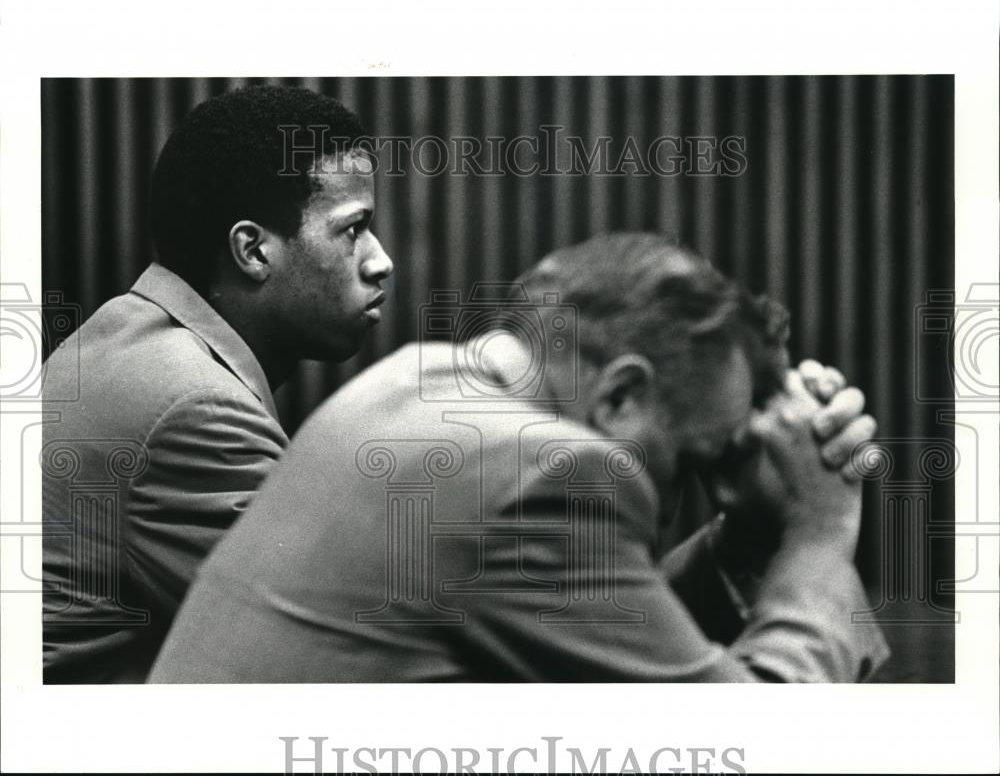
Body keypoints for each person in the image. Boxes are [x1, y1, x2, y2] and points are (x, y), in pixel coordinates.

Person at [149, 234, 888, 683]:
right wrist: (818, 530)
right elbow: (755, 746)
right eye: (691, 460)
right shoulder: (543, 470)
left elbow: (598, 631)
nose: (681, 484)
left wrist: (747, 534)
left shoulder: (419, 379)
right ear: (623, 395)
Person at [42, 86, 394, 683]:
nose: (379, 260)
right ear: (252, 250)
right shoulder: (197, 409)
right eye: (353, 229)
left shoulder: (124, 334)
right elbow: (346, 654)